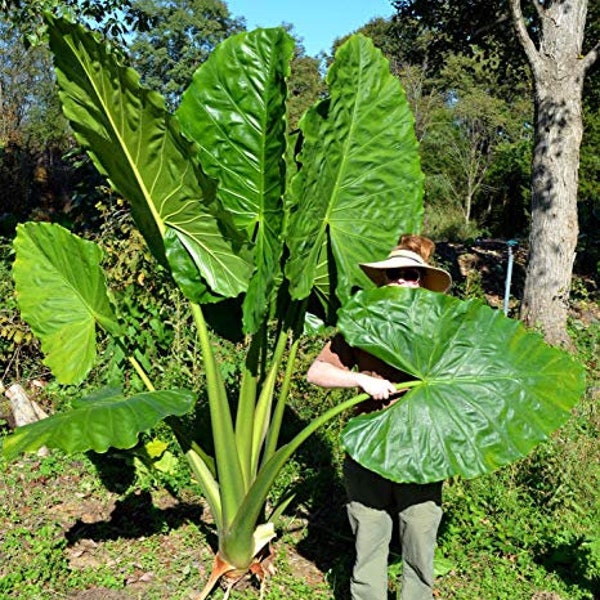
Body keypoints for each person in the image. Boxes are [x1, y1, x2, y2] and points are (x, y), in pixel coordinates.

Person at [307, 234, 452, 600]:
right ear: (384, 280)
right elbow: (317, 372)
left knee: (419, 533)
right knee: (370, 532)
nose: (403, 281)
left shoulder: (441, 325)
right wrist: (359, 379)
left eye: (411, 275)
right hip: (371, 444)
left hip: (421, 445)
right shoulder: (363, 323)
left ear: (421, 282)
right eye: (395, 274)